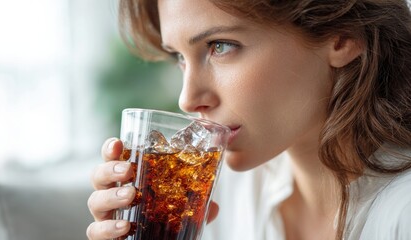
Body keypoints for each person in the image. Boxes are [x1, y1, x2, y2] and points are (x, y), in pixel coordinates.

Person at [86, 0, 411, 239]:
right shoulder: (217, 198)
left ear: (342, 35)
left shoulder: (402, 214)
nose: (187, 99)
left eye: (220, 46)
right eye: (179, 57)